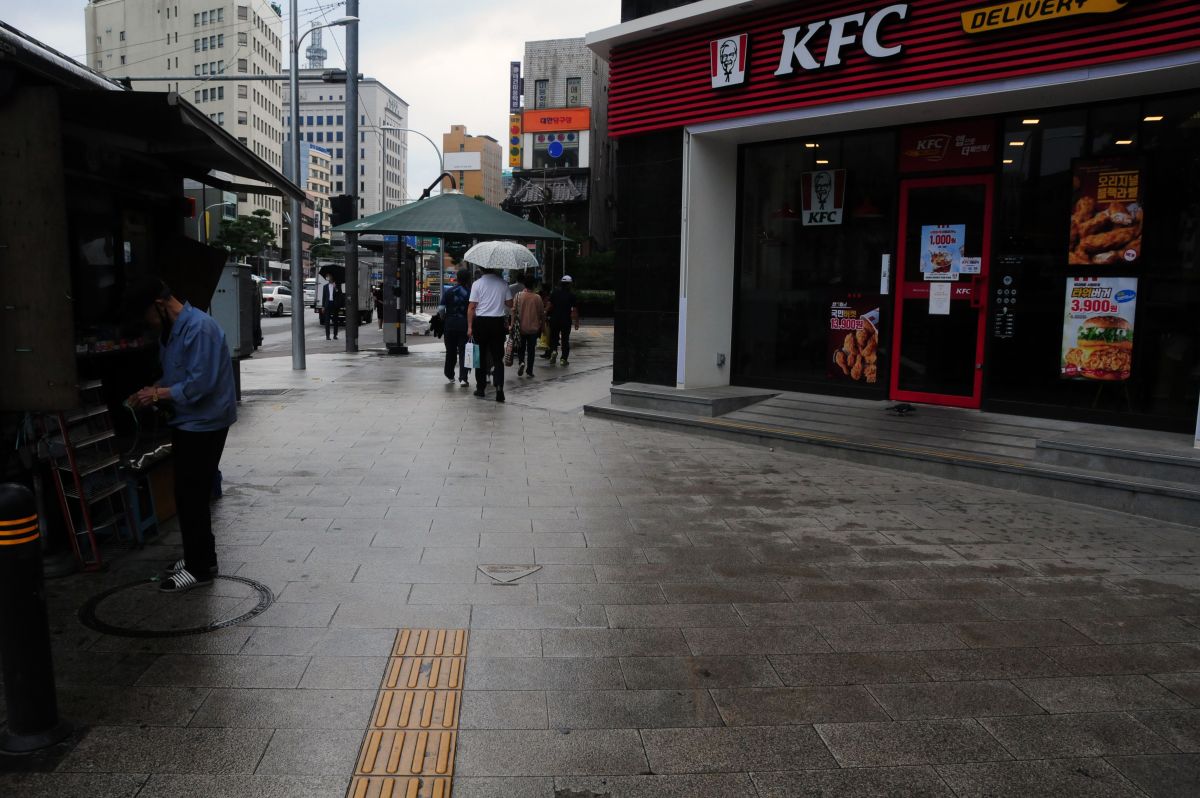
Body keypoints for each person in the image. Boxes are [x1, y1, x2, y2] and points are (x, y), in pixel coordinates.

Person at [123, 277, 236, 593]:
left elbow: (200, 385)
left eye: (146, 315)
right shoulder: (173, 331)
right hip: (189, 421)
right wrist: (152, 391)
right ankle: (202, 557)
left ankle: (199, 569)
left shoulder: (199, 329)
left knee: (192, 495)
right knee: (189, 494)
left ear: (159, 305)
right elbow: (176, 376)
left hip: (205, 423)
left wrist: (157, 394)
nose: (147, 323)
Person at [467, 266, 513, 402]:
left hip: (481, 323)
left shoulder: (477, 284)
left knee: (480, 357)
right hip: (497, 323)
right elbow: (510, 303)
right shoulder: (503, 283)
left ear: (482, 269)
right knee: (498, 358)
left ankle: (480, 388)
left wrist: (469, 327)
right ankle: (499, 388)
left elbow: (471, 307)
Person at [440, 268, 472, 386]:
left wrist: (444, 318)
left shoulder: (448, 291)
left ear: (457, 278)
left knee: (450, 351)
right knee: (464, 351)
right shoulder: (470, 293)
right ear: (468, 279)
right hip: (464, 325)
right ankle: (463, 378)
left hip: (450, 325)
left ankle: (449, 374)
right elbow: (473, 309)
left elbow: (441, 309)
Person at [512, 274, 546, 378]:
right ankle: (529, 371)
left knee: (521, 347)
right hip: (533, 329)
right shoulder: (537, 298)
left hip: (520, 328)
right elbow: (542, 314)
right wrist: (543, 327)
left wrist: (511, 325)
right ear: (534, 285)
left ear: (524, 284)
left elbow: (513, 311)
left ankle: (521, 362)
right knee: (531, 350)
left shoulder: (518, 296)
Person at [545, 275, 580, 366]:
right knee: (565, 339)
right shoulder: (572, 295)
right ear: (570, 284)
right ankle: (563, 359)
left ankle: (554, 351)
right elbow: (574, 310)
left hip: (554, 319)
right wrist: (576, 322)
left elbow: (549, 306)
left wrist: (544, 314)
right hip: (566, 320)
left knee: (554, 337)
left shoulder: (554, 293)